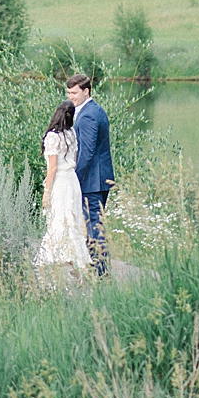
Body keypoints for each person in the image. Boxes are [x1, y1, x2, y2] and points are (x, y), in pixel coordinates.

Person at [32, 99, 91, 280]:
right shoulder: (71, 133)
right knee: (71, 221)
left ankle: (48, 265)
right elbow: (73, 158)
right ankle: (77, 266)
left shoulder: (52, 136)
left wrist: (46, 192)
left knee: (57, 220)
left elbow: (53, 167)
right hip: (72, 181)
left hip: (60, 182)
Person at [66, 72, 113, 275]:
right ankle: (95, 267)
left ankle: (100, 272)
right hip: (99, 179)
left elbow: (86, 152)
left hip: (93, 181)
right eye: (68, 92)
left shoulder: (88, 116)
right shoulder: (93, 110)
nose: (71, 97)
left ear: (86, 91)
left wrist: (73, 177)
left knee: (94, 226)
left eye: (74, 93)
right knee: (95, 225)